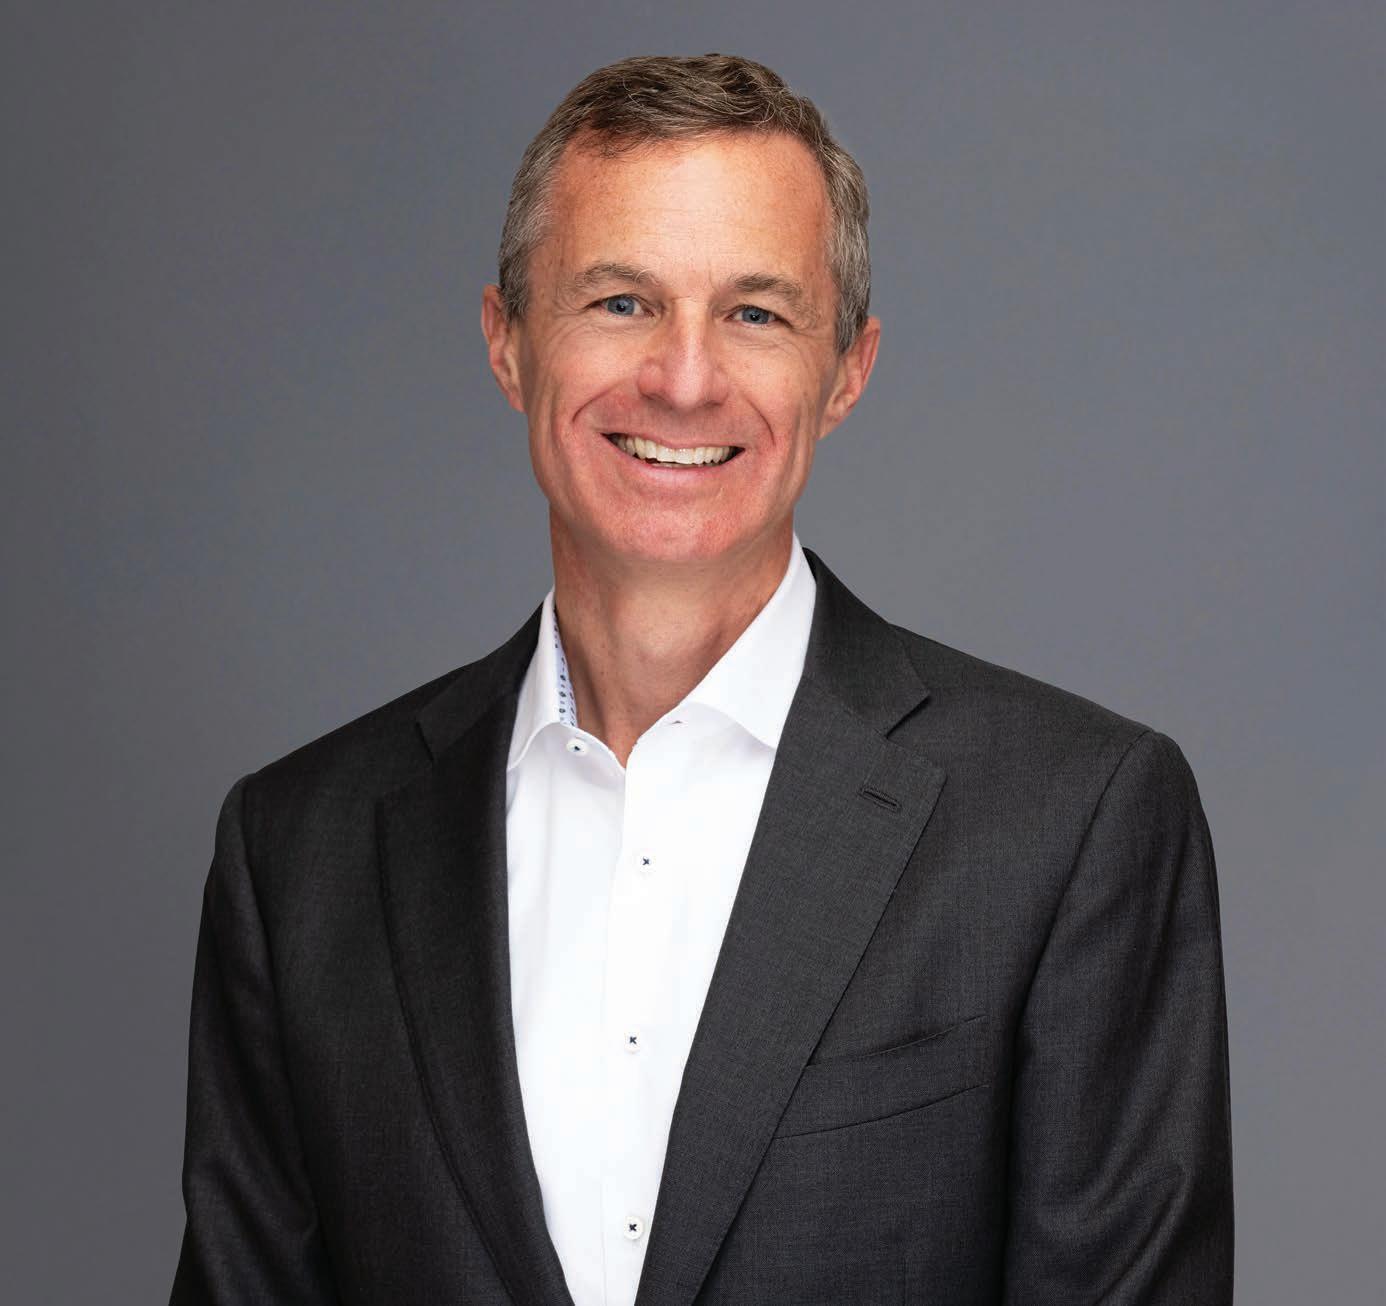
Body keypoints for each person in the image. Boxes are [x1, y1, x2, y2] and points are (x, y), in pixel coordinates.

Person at [169, 53, 1233, 1305]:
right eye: (620, 301)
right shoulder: (300, 852)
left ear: (848, 371)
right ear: (508, 344)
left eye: (756, 313)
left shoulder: (1071, 821)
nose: (683, 378)